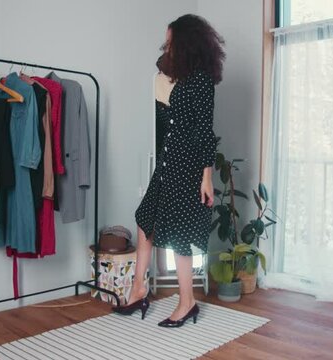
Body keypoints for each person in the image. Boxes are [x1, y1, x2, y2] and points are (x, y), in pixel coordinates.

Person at [112, 14, 225, 328]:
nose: (167, 45)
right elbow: (163, 124)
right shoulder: (168, 75)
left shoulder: (201, 80)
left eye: (172, 40)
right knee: (145, 219)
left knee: (180, 235)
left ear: (186, 42)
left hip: (188, 166)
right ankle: (139, 288)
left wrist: (206, 176)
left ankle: (187, 302)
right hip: (166, 163)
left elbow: (204, 131)